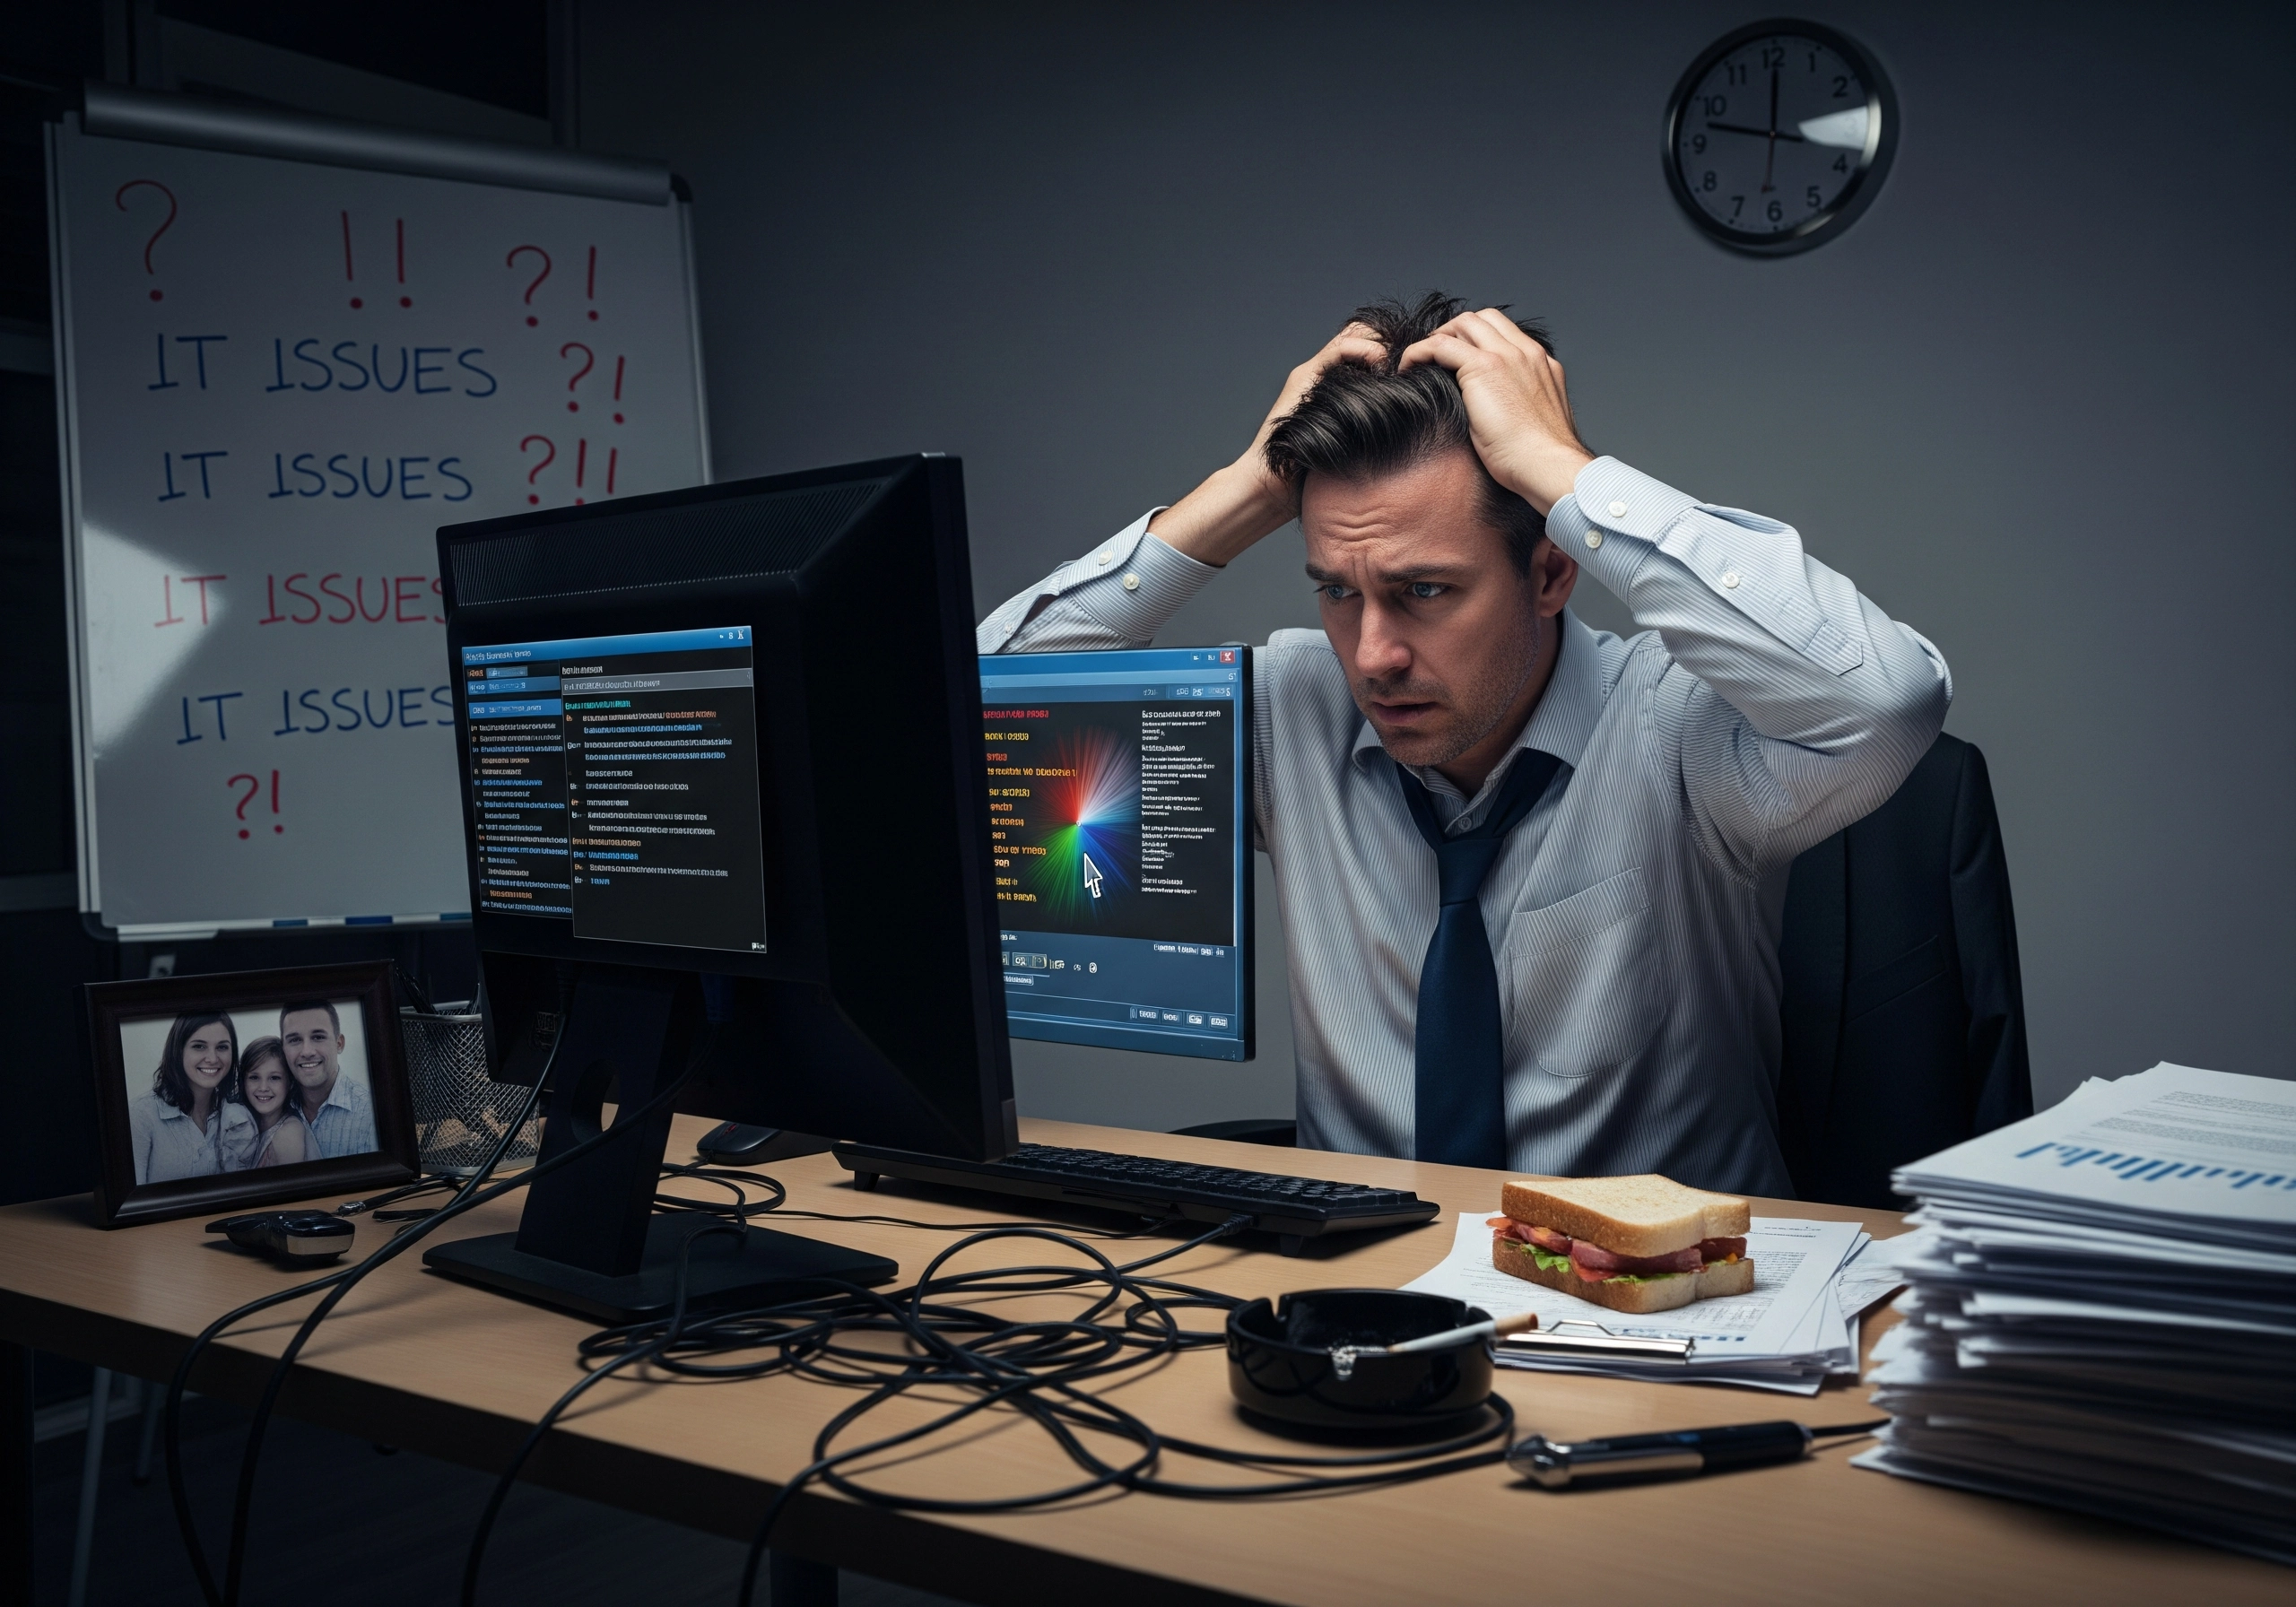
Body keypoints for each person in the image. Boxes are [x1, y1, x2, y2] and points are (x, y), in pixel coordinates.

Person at [978, 294, 1950, 1195]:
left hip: (1662, 1312)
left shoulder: (1679, 723)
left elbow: (1887, 702)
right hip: (1357, 1294)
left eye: (1424, 591)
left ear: (1551, 573)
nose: (1373, 655)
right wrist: (1242, 492)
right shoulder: (1288, 709)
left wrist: (1562, 473)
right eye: (1337, 589)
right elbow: (972, 724)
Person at [126, 1012, 256, 1186]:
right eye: (199, 1046)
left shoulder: (237, 1117)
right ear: (178, 1051)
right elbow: (131, 1201)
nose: (212, 1058)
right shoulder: (141, 1115)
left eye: (222, 1047)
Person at [278, 999, 378, 1158]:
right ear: (283, 1048)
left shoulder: (372, 1113)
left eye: (318, 1037)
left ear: (339, 1044)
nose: (307, 1051)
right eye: (295, 1040)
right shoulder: (273, 1109)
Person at [232, 1036, 317, 1169]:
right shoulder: (244, 1124)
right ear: (243, 1082)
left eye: (274, 1078)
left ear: (290, 1083)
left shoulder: (289, 1134)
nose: (263, 1087)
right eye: (254, 1077)